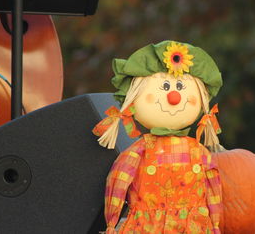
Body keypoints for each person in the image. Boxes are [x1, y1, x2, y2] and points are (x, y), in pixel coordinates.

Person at [93, 40, 223, 234]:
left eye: (180, 87)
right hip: (147, 227)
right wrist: (112, 222)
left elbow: (213, 188)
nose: (174, 97)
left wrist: (215, 224)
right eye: (164, 87)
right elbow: (119, 180)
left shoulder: (198, 151)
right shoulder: (141, 150)